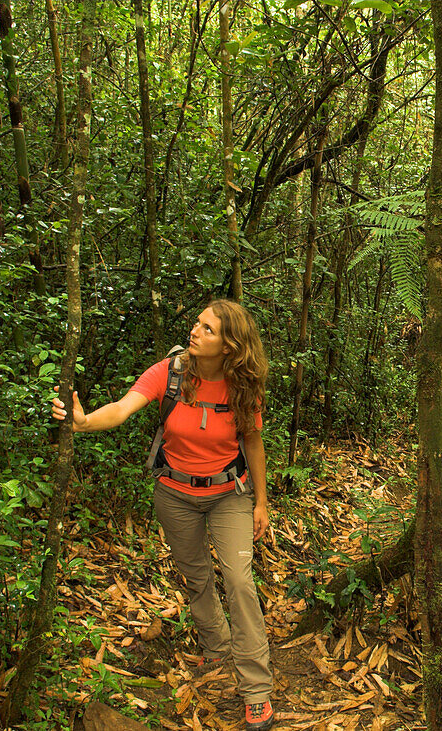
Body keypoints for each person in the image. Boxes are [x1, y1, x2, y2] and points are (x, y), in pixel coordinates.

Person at [51, 299, 276, 731]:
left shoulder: (243, 386)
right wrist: (82, 421)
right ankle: (217, 644)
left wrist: (261, 502)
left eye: (207, 329)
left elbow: (255, 445)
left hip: (229, 493)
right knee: (196, 574)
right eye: (197, 323)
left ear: (230, 344)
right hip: (173, 494)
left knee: (240, 582)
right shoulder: (170, 373)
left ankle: (256, 692)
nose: (195, 331)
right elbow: (121, 408)